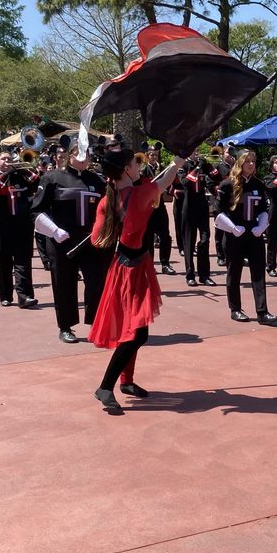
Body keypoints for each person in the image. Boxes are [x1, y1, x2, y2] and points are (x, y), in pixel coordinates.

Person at [88, 149, 186, 413]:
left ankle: (126, 382)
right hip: (133, 270)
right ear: (125, 170)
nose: (139, 166)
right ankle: (105, 387)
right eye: (135, 163)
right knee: (136, 334)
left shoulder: (107, 200)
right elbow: (163, 182)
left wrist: (113, 226)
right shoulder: (139, 194)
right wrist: (178, 162)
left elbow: (97, 240)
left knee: (133, 328)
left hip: (123, 265)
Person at [31, 142, 108, 343]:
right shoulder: (52, 178)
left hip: (91, 240)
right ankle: (65, 326)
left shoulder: (97, 181)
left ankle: (96, 324)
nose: (84, 157)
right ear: (70, 155)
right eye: (79, 153)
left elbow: (106, 209)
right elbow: (36, 210)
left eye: (87, 154)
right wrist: (54, 230)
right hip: (61, 240)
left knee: (95, 282)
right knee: (64, 283)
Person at [215, 150, 277, 325]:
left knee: (259, 272)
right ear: (240, 163)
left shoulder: (259, 184)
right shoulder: (227, 184)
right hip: (234, 234)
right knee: (234, 272)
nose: (251, 164)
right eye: (247, 161)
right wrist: (232, 227)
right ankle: (235, 309)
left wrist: (261, 226)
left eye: (253, 161)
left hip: (253, 234)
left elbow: (263, 209)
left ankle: (262, 312)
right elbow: (218, 212)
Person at [0, 152, 39, 308]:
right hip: (1, 226)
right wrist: (7, 172)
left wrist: (25, 170)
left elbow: (38, 183)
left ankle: (25, 296)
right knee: (2, 261)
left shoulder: (21, 177)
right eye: (3, 159)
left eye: (9, 159)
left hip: (22, 225)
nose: (7, 161)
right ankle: (5, 295)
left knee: (23, 262)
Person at [178, 150, 217, 287]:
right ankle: (190, 275)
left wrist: (209, 167)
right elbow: (184, 182)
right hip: (189, 207)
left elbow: (215, 178)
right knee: (189, 242)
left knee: (205, 239)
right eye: (193, 150)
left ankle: (204, 275)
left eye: (197, 150)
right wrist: (197, 168)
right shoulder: (183, 166)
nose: (196, 153)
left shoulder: (203, 164)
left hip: (202, 206)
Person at [141, 143, 177, 276]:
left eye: (156, 154)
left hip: (160, 206)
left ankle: (165, 263)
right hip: (148, 207)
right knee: (148, 237)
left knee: (165, 236)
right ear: (147, 156)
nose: (154, 157)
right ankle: (149, 264)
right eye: (151, 154)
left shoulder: (163, 168)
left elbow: (171, 183)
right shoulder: (143, 170)